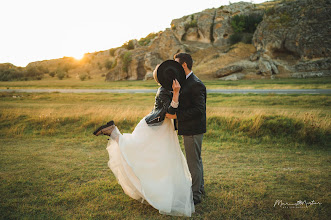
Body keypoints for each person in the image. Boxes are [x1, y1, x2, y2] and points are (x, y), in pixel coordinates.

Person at [93, 60, 194, 217]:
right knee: (138, 152)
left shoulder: (166, 89)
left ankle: (163, 190)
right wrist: (175, 93)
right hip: (153, 127)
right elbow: (168, 112)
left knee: (162, 160)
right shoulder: (164, 91)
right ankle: (113, 132)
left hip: (162, 129)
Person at [166, 53, 207, 205]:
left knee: (193, 163)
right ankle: (200, 189)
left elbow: (199, 109)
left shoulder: (196, 84)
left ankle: (195, 196)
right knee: (196, 160)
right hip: (190, 128)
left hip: (193, 129)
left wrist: (177, 116)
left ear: (183, 65)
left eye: (177, 65)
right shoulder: (185, 81)